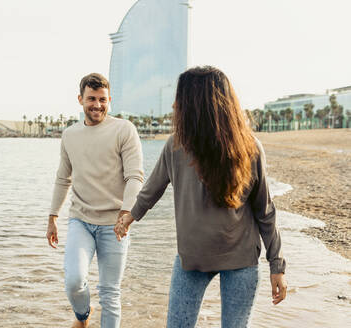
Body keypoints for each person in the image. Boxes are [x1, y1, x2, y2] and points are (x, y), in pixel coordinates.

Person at [115, 66, 287, 328]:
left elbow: (265, 210)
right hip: (191, 259)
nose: (175, 104)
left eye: (180, 97)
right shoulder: (176, 145)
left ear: (197, 102)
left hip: (240, 260)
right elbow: (152, 189)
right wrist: (130, 217)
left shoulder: (249, 148)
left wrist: (277, 265)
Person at [47, 73, 144, 328]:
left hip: (115, 224)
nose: (97, 105)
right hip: (81, 220)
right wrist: (53, 217)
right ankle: (82, 317)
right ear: (80, 100)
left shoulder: (124, 130)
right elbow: (62, 178)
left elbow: (135, 176)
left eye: (102, 99)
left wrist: (126, 214)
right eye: (91, 98)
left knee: (110, 292)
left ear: (109, 99)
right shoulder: (69, 135)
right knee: (74, 280)